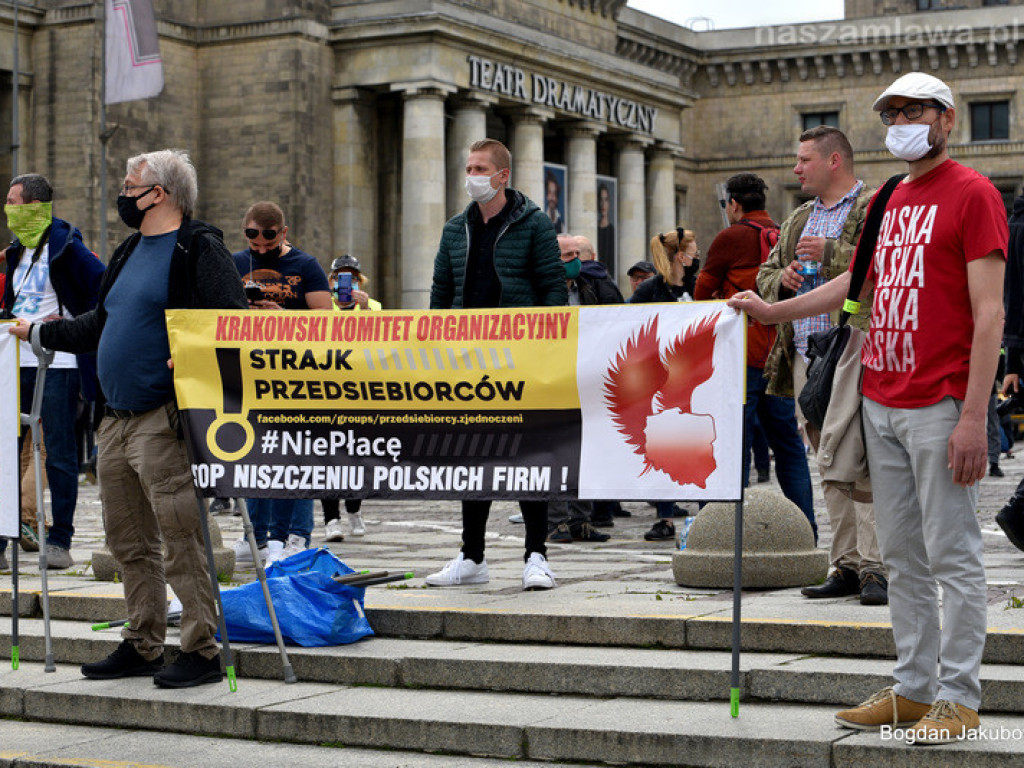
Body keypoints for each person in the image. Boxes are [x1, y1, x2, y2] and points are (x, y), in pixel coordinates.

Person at [729, 72, 1006, 744]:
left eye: (915, 110)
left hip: (939, 400)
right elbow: (857, 283)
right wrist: (773, 309)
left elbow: (990, 310)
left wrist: (974, 415)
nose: (902, 120)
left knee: (954, 553)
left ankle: (960, 698)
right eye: (892, 111)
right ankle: (913, 689)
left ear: (946, 119)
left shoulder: (973, 194)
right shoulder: (887, 197)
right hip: (879, 394)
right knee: (903, 556)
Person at [10, 148, 247, 687]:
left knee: (181, 535)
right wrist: (42, 332)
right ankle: (142, 642)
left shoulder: (197, 248)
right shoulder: (130, 248)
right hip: (114, 418)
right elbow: (102, 321)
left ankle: (202, 649)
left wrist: (194, 354)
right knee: (128, 541)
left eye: (129, 185)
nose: (122, 193)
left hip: (163, 417)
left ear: (157, 193)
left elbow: (232, 323)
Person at [428, 138, 566, 590]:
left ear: (503, 175)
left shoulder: (534, 225)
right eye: (469, 166)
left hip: (519, 360)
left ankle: (536, 554)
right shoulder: (455, 229)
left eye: (481, 167)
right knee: (473, 454)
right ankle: (472, 556)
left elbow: (551, 289)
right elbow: (441, 293)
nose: (473, 175)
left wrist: (544, 350)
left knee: (528, 455)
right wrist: (436, 347)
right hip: (467, 363)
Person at [756, 128, 885, 604]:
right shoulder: (799, 217)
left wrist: (828, 255)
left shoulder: (874, 205)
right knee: (828, 462)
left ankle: (876, 568)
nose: (796, 168)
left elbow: (882, 266)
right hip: (806, 360)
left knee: (864, 460)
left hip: (854, 351)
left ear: (834, 161)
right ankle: (847, 565)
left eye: (804, 159)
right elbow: (766, 274)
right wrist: (781, 280)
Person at [695, 173, 817, 542]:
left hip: (741, 358)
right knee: (789, 446)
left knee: (732, 445)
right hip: (778, 356)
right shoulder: (784, 234)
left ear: (733, 203)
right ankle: (806, 530)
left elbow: (702, 293)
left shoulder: (731, 236)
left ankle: (720, 535)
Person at [2, 173, 104, 570]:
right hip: (14, 362)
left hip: (58, 363)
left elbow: (103, 289)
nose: (8, 210)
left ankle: (61, 539)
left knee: (59, 453)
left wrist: (69, 323)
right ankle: (5, 534)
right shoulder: (15, 252)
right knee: (7, 451)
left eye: (13, 202)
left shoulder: (68, 248)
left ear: (35, 207)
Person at [232, 202, 331, 564]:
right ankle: (254, 537)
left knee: (295, 452)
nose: (260, 251)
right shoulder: (236, 263)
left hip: (295, 375)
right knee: (254, 453)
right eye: (254, 244)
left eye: (268, 246)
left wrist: (284, 316)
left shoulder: (305, 266)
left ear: (283, 233)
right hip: (251, 372)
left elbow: (326, 319)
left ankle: (295, 537)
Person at [630, 227, 702, 540]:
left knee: (700, 446)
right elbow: (628, 324)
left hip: (699, 379)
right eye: (694, 251)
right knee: (663, 447)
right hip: (662, 380)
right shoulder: (651, 290)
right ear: (680, 256)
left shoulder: (701, 285)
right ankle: (665, 517)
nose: (698, 256)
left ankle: (709, 513)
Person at [321, 253, 379, 542]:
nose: (346, 281)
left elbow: (390, 338)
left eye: (351, 276)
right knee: (327, 456)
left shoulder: (371, 307)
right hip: (328, 392)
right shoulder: (322, 308)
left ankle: (354, 508)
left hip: (360, 393)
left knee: (358, 456)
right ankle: (331, 519)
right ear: (332, 281)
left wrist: (367, 307)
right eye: (341, 276)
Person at [996, 190, 1024, 552]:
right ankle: (1018, 510)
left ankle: (1018, 510)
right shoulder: (1018, 226)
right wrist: (1013, 362)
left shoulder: (1014, 224)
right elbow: (1014, 297)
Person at [596, 182, 615, 273]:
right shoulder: (595, 229)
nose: (603, 204)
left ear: (609, 203)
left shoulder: (612, 230)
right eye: (601, 200)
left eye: (606, 200)